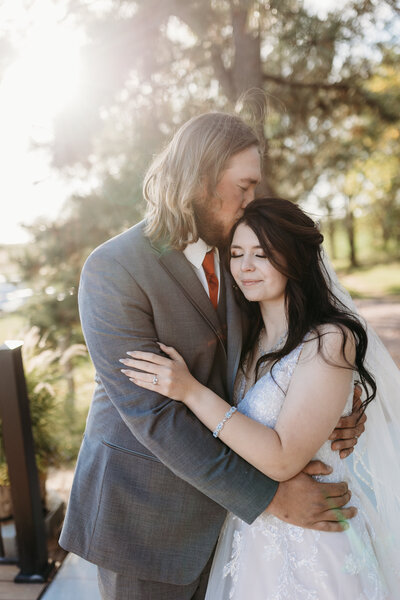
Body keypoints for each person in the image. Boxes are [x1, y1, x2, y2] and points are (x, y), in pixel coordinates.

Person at [59, 113, 363, 600]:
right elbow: (153, 415)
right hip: (147, 522)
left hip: (235, 532)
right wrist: (272, 499)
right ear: (201, 177)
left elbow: (290, 348)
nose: (250, 201)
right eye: (243, 186)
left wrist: (335, 408)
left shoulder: (239, 253)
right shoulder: (113, 270)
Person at [121, 197, 400, 598]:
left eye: (262, 254)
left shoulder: (329, 340)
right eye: (236, 254)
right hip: (253, 539)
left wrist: (190, 391)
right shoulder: (244, 339)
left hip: (318, 543)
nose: (245, 266)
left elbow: (284, 457)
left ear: (295, 259)